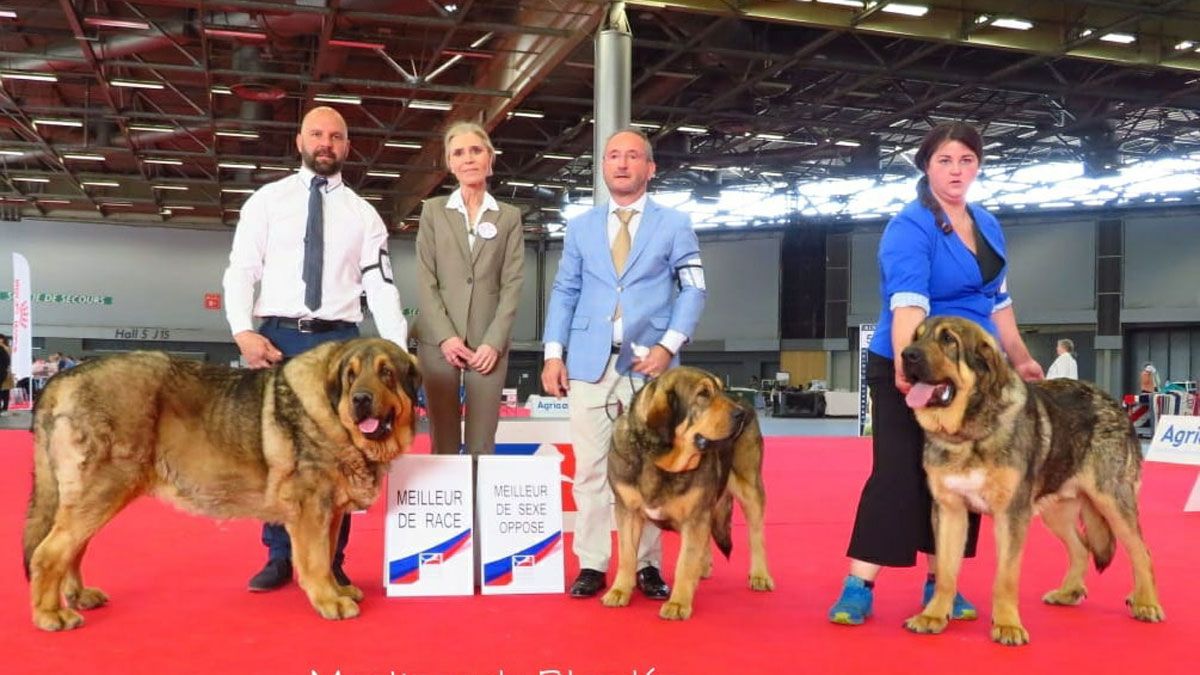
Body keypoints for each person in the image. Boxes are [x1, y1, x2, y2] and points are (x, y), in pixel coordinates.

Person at [828, 122, 1044, 625]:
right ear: (927, 166)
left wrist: (1020, 355)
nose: (956, 171)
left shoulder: (988, 224)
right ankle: (858, 584)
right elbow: (908, 304)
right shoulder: (910, 226)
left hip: (973, 374)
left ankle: (941, 585)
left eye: (966, 160)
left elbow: (1000, 301)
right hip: (914, 360)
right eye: (945, 160)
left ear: (978, 167)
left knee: (962, 481)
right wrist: (909, 366)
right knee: (899, 471)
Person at [222, 105, 408, 593]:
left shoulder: (364, 216)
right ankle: (281, 556)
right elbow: (242, 269)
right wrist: (243, 329)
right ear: (300, 140)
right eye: (318, 134)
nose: (326, 143)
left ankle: (330, 558)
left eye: (337, 137)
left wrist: (397, 349)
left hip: (341, 345)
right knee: (279, 454)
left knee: (343, 456)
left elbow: (382, 288)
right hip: (276, 339)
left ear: (347, 147)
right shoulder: (266, 201)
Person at [541, 127, 707, 599]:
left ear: (650, 168)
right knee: (591, 469)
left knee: (654, 469)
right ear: (603, 167)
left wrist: (669, 345)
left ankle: (648, 565)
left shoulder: (675, 224)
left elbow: (693, 287)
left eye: (632, 156)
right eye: (613, 155)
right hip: (588, 363)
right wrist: (554, 354)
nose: (621, 163)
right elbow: (565, 292)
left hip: (651, 367)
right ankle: (592, 564)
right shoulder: (580, 227)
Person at [415, 121, 524, 456]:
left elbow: (513, 283)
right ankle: (450, 508)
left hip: (488, 345)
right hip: (438, 341)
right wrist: (446, 336)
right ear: (450, 163)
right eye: (458, 153)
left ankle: (479, 507)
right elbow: (425, 278)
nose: (468, 158)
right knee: (443, 441)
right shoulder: (433, 211)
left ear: (489, 158)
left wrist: (494, 341)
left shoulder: (508, 216)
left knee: (482, 442)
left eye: (475, 150)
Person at [0, 334, 11, 417]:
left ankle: (5, 407)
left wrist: (2, 345)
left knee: (6, 390)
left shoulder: (6, 347)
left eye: (1, 339)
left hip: (6, 371)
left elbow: (8, 357)